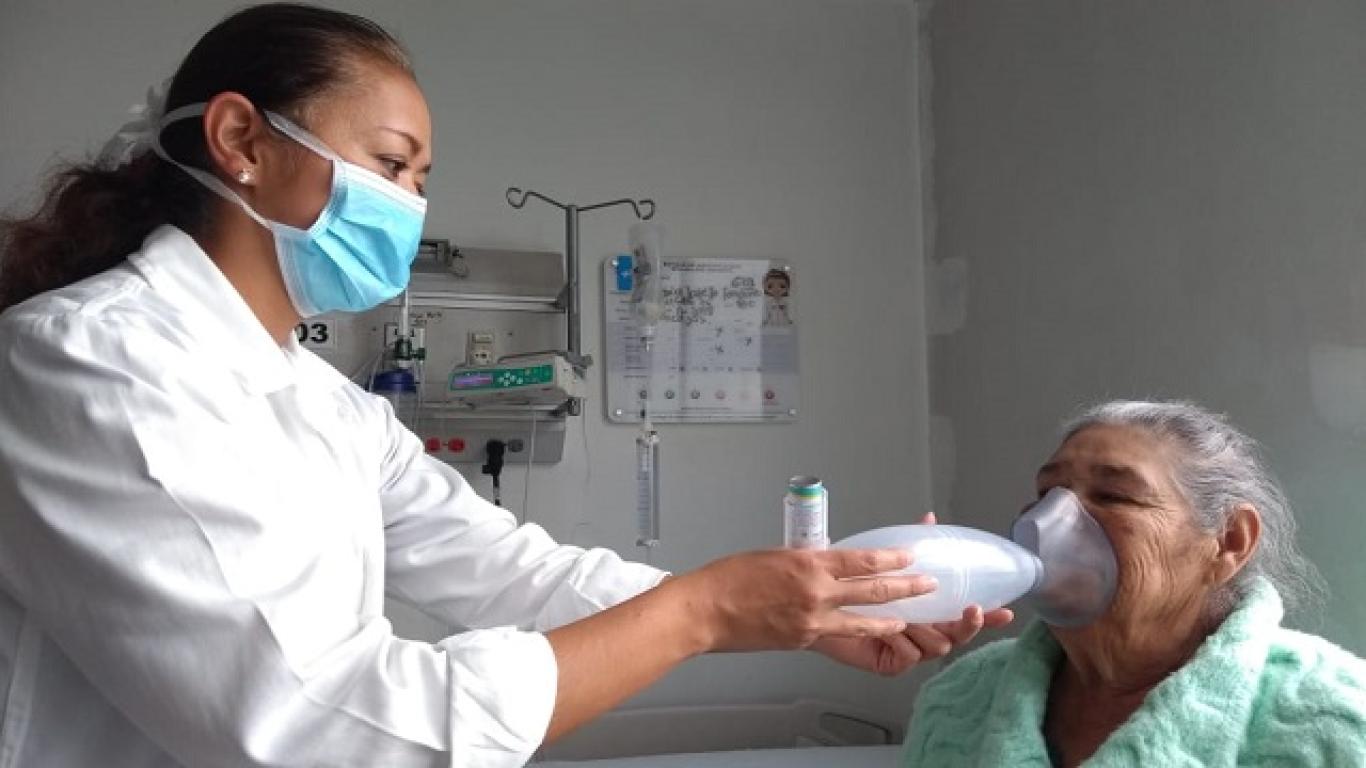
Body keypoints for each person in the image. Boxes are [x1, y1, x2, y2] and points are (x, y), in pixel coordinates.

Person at [0, 5, 1007, 766]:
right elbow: (312, 728)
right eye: (389, 163)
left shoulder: (329, 406)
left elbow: (514, 572)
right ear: (241, 141)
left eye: (420, 180)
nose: (408, 205)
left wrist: (800, 612)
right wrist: (700, 613)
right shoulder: (86, 362)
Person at [901, 400, 1366, 767]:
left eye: (1113, 495)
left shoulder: (1335, 717)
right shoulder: (960, 699)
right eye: (1046, 494)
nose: (1047, 522)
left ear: (1230, 541)